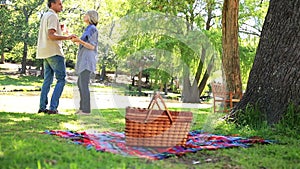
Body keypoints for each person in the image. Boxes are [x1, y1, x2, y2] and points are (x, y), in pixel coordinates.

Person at [36, 0, 75, 114]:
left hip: (45, 52)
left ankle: (42, 107)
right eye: (59, 4)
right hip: (54, 52)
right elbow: (51, 36)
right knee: (61, 79)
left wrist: (59, 28)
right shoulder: (53, 16)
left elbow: (50, 32)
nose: (61, 6)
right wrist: (67, 37)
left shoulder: (45, 15)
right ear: (52, 4)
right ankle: (53, 108)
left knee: (47, 80)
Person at [72, 10, 99, 115]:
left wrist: (79, 41)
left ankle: (86, 110)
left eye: (86, 15)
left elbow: (92, 46)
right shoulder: (88, 29)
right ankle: (82, 108)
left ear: (91, 17)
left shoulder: (92, 29)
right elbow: (83, 44)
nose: (84, 16)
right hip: (83, 60)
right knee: (80, 83)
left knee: (83, 84)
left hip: (87, 60)